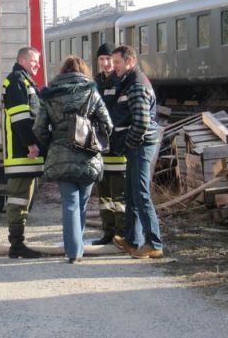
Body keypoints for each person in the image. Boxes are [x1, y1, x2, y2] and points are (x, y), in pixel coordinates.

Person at [33, 56, 113, 264]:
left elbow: (38, 128)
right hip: (87, 153)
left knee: (70, 203)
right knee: (83, 203)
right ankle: (78, 249)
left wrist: (51, 143)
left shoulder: (49, 95)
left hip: (60, 153)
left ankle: (73, 252)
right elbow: (108, 124)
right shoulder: (91, 92)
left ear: (62, 72)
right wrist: (96, 139)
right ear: (83, 71)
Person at [111, 45, 163, 259]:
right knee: (132, 193)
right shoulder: (130, 82)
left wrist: (129, 144)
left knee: (141, 194)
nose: (114, 67)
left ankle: (154, 243)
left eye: (117, 63)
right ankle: (133, 240)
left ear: (130, 61)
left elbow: (141, 122)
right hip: (137, 146)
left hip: (140, 146)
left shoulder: (136, 85)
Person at [2, 47, 45, 259]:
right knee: (19, 199)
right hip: (21, 153)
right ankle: (17, 245)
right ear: (22, 60)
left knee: (24, 199)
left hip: (25, 152)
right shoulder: (17, 81)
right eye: (34, 61)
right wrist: (30, 144)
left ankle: (19, 244)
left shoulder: (25, 81)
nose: (38, 64)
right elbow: (20, 118)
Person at [91, 43, 127, 245]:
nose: (106, 64)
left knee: (119, 196)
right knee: (104, 196)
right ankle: (108, 232)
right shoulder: (95, 83)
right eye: (101, 60)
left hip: (118, 149)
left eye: (109, 59)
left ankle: (121, 234)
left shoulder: (121, 81)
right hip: (101, 149)